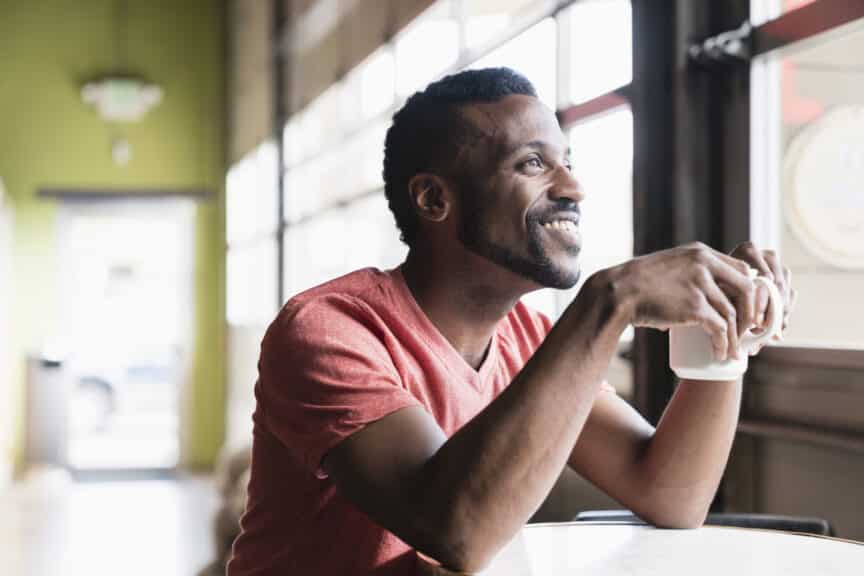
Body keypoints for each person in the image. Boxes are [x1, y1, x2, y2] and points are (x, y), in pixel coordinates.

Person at [227, 67, 794, 575]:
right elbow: (454, 533)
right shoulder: (329, 331)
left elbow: (669, 494)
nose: (573, 188)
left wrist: (724, 337)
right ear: (432, 199)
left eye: (567, 163)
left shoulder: (524, 336)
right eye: (532, 164)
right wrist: (610, 301)